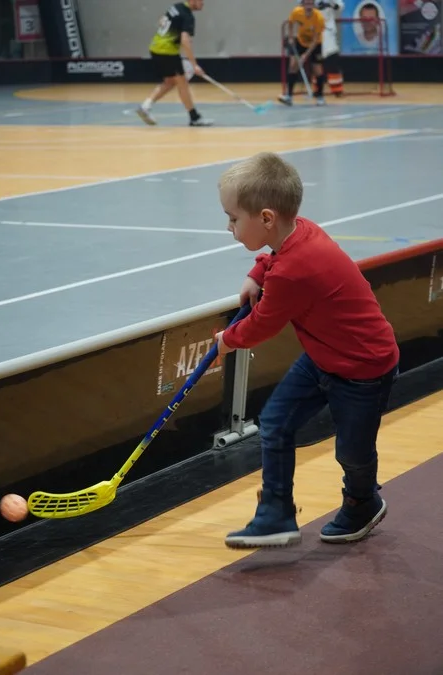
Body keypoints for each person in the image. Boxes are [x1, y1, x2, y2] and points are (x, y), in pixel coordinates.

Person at [214, 152, 399, 549]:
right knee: (276, 422)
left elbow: (262, 324)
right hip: (323, 357)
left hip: (364, 369)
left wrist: (226, 342)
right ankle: (276, 513)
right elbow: (277, 258)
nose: (228, 227)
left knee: (352, 452)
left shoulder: (296, 269)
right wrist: (256, 271)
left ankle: (363, 501)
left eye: (233, 218)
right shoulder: (299, 231)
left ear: (266, 218)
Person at [136, 0, 213, 127]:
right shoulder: (188, 16)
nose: (203, 3)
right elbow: (185, 41)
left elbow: (162, 20)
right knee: (182, 83)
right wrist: (194, 65)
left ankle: (145, 106)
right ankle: (194, 118)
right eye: (201, 0)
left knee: (170, 82)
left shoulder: (176, 6)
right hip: (168, 52)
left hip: (155, 48)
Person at [279, 0, 326, 106]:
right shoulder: (296, 12)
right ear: (303, 4)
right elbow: (290, 23)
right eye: (306, 3)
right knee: (293, 66)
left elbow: (315, 40)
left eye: (311, 3)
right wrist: (291, 37)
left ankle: (320, 97)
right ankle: (289, 96)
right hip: (300, 41)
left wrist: (305, 55)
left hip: (316, 44)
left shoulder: (319, 18)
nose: (308, 6)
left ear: (313, 4)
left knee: (317, 70)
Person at [315, 0, 345, 96]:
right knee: (316, 62)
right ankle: (317, 89)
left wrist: (331, 4)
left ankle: (337, 89)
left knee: (332, 59)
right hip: (314, 30)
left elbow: (340, 6)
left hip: (328, 30)